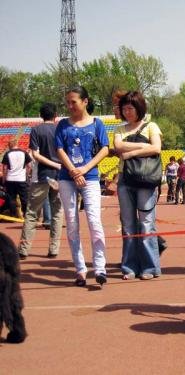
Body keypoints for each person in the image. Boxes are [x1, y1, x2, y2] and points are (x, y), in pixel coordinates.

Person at [55, 86, 110, 287]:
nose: (70, 106)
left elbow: (105, 149)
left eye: (73, 102)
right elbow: (59, 149)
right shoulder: (62, 125)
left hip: (91, 177)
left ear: (85, 101)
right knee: (71, 222)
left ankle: (100, 267)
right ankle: (80, 268)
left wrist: (85, 168)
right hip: (66, 177)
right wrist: (73, 171)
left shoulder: (97, 124)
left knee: (94, 221)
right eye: (67, 103)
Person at [113, 91, 163, 280]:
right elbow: (118, 147)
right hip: (124, 179)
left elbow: (156, 148)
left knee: (146, 223)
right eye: (124, 108)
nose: (127, 112)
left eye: (130, 108)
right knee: (128, 224)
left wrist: (130, 153)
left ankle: (150, 267)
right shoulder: (119, 129)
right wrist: (143, 147)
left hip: (145, 180)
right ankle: (129, 266)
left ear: (139, 108)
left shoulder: (151, 126)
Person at [18, 103, 63, 259]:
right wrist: (58, 165)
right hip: (59, 176)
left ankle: (24, 249)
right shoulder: (60, 129)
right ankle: (54, 249)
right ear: (55, 115)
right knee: (57, 212)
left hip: (42, 176)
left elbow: (35, 155)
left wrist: (52, 164)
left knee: (31, 213)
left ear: (41, 115)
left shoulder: (36, 130)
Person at [1, 139, 32, 218]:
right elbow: (29, 165)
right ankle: (26, 214)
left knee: (11, 198)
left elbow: (4, 168)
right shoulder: (24, 152)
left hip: (10, 179)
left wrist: (4, 180)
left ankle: (13, 214)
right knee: (24, 198)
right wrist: (26, 174)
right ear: (16, 144)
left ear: (10, 145)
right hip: (21, 179)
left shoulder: (7, 154)